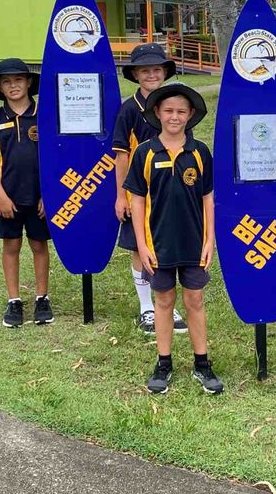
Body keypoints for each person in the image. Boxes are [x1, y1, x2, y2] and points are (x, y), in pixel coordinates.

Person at [124, 82, 222, 395]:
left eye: (181, 111)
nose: (175, 116)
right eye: (169, 111)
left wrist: (210, 241)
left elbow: (208, 197)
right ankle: (163, 363)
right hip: (158, 244)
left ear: (191, 114)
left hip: (194, 243)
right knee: (164, 301)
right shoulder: (145, 153)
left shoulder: (200, 152)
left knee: (194, 300)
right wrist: (141, 244)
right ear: (158, 113)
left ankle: (202, 363)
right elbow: (137, 200)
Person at [113, 43, 187, 335]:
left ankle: (166, 302)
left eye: (156, 69)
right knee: (137, 245)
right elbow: (121, 154)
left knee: (166, 242)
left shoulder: (174, 104)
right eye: (145, 70)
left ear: (165, 72)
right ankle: (147, 308)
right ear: (135, 74)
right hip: (139, 191)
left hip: (170, 189)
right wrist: (121, 195)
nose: (151, 75)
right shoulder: (129, 109)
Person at [0, 58, 53, 328]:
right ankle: (14, 300)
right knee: (11, 246)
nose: (13, 85)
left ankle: (42, 297)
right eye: (7, 81)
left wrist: (49, 194)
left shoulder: (45, 115)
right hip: (7, 199)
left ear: (29, 82)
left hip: (40, 198)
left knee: (38, 245)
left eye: (18, 80)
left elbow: (55, 157)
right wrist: (1, 196)